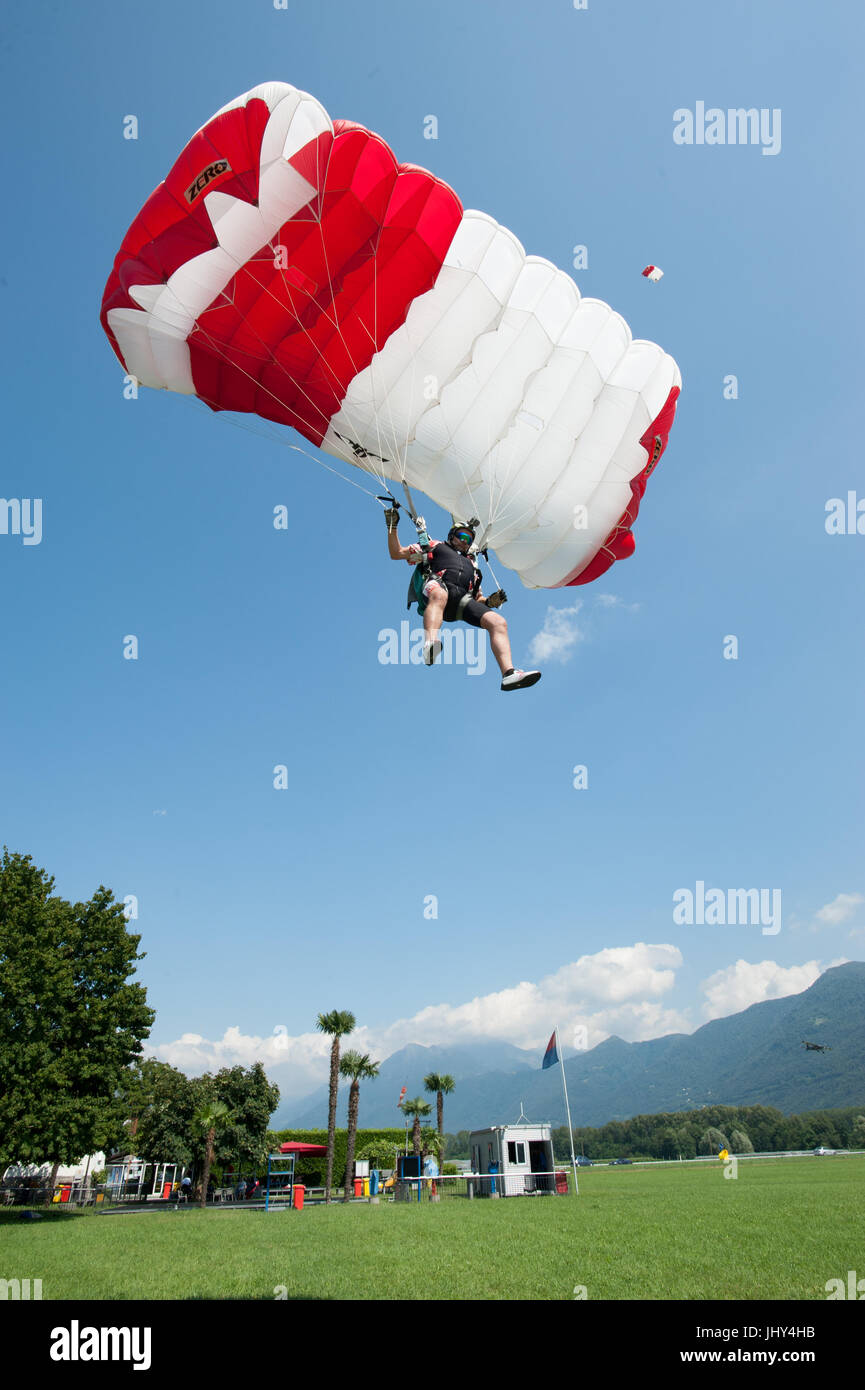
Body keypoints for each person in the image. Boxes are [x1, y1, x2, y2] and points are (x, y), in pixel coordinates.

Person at [385, 509, 541, 691]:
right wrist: (392, 526)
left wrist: (490, 601)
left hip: (461, 602)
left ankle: (509, 674)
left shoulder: (473, 566)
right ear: (452, 536)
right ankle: (430, 643)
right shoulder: (434, 546)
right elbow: (396, 553)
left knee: (499, 622)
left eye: (469, 539)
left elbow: (478, 598)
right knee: (439, 594)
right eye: (461, 536)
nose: (465, 542)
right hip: (437, 589)